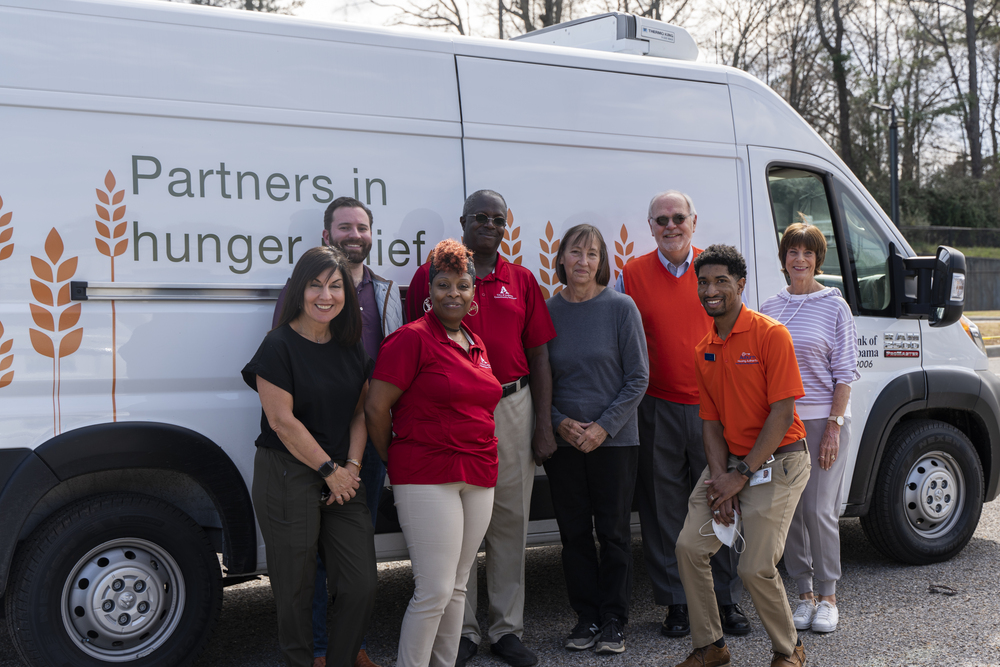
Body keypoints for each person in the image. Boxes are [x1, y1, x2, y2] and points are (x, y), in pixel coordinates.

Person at [406, 190, 557, 667]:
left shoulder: (523, 280)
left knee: (510, 519)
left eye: (497, 218)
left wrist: (543, 424)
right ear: (463, 221)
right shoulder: (430, 276)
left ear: (506, 224)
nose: (488, 224)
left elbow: (540, 355)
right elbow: (415, 344)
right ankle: (463, 630)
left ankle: (506, 628)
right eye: (479, 217)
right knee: (459, 524)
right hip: (453, 410)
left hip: (513, 404)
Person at [272, 196, 402, 667]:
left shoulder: (385, 293)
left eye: (362, 227)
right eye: (344, 227)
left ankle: (353, 647)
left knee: (354, 556)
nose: (354, 234)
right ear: (327, 235)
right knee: (310, 559)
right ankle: (321, 651)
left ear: (371, 235)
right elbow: (282, 367)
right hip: (310, 448)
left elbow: (398, 365)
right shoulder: (302, 290)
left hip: (363, 442)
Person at [616, 191, 747, 638]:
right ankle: (676, 601)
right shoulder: (630, 275)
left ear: (694, 222)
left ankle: (725, 599)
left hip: (716, 407)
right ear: (649, 226)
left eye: (678, 218)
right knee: (663, 509)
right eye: (660, 220)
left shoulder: (711, 272)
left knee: (722, 499)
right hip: (656, 407)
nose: (670, 226)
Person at [366, 239, 502, 667]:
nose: (453, 293)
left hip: (478, 472)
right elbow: (376, 407)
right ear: (428, 291)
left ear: (473, 292)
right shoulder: (411, 340)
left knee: (459, 586)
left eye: (462, 285)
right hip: (426, 474)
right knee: (435, 590)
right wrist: (398, 458)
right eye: (443, 284)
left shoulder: (474, 342)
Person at [674, 244, 810, 667]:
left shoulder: (771, 335)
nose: (710, 290)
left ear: (740, 285)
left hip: (781, 461)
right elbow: (711, 422)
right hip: (730, 464)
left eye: (720, 281)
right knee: (689, 548)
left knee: (754, 567)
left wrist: (742, 474)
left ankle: (790, 651)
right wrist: (721, 480)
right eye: (703, 282)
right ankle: (711, 646)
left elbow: (782, 411)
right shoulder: (704, 349)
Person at [243, 246, 377, 667]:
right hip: (287, 471)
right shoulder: (277, 345)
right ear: (300, 289)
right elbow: (282, 422)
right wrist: (328, 470)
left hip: (340, 473)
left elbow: (360, 412)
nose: (326, 295)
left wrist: (351, 469)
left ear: (346, 294)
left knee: (361, 584)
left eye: (336, 286)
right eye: (316, 285)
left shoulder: (350, 346)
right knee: (296, 587)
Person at [544, 225, 648, 655]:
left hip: (615, 441)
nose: (583, 261)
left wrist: (603, 426)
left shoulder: (621, 308)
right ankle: (585, 617)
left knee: (614, 533)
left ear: (602, 260)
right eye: (575, 252)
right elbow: (537, 380)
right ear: (562, 258)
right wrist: (558, 422)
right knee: (573, 535)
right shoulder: (547, 312)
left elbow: (638, 377)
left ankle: (614, 620)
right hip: (564, 443)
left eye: (591, 253)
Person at [760, 223, 859, 634]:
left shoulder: (835, 307)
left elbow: (845, 373)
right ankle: (803, 594)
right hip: (784, 423)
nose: (799, 259)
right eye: (792, 252)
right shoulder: (769, 307)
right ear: (783, 258)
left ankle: (829, 596)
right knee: (794, 512)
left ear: (818, 259)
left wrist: (834, 426)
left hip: (823, 421)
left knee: (819, 510)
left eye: (807, 252)